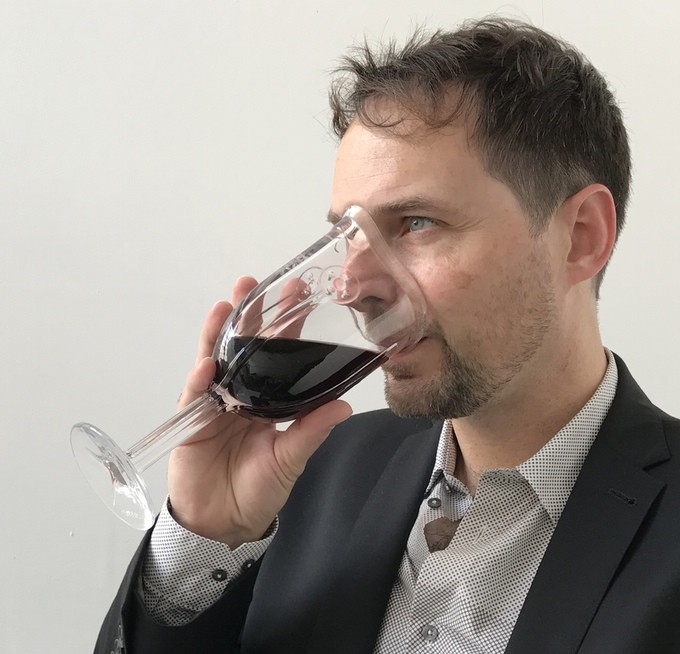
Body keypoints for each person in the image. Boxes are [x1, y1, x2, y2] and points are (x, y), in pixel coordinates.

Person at [94, 17, 680, 654]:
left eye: (416, 222)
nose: (352, 285)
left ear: (582, 237)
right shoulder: (308, 475)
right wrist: (206, 535)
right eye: (347, 235)